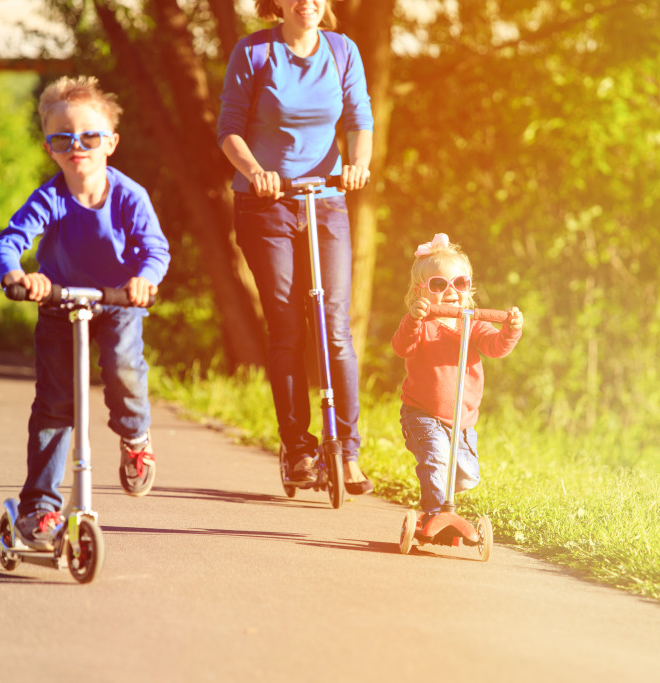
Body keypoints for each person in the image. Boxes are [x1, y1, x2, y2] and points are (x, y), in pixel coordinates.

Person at [0, 75, 171, 549]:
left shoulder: (130, 196)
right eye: (63, 138)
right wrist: (19, 278)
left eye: (89, 136)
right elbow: (9, 243)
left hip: (117, 304)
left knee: (124, 371)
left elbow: (155, 249)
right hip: (58, 306)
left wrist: (143, 280)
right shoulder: (50, 198)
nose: (77, 146)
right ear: (50, 147)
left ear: (110, 143)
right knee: (55, 406)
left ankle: (135, 440)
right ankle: (41, 509)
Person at [217, 0, 374, 494]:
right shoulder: (255, 53)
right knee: (287, 326)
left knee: (335, 325)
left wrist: (356, 164)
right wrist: (256, 173)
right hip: (267, 204)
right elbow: (230, 130)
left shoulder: (343, 51)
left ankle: (347, 450)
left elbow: (359, 119)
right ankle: (299, 447)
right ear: (279, 3)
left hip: (325, 201)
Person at [391, 233, 523, 522]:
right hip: (422, 413)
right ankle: (435, 514)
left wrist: (510, 329)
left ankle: (441, 502)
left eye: (460, 283)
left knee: (466, 475)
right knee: (436, 458)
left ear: (469, 286)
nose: (451, 291)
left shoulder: (473, 324)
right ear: (420, 291)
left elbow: (496, 347)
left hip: (463, 422)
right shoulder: (420, 323)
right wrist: (413, 318)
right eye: (439, 285)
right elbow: (402, 346)